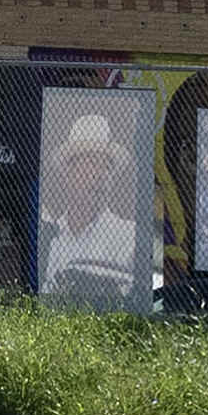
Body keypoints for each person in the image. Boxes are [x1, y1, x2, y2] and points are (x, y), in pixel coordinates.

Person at [37, 96, 151, 310]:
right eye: (90, 162)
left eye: (106, 165)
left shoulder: (129, 235)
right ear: (68, 173)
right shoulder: (50, 236)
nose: (100, 173)